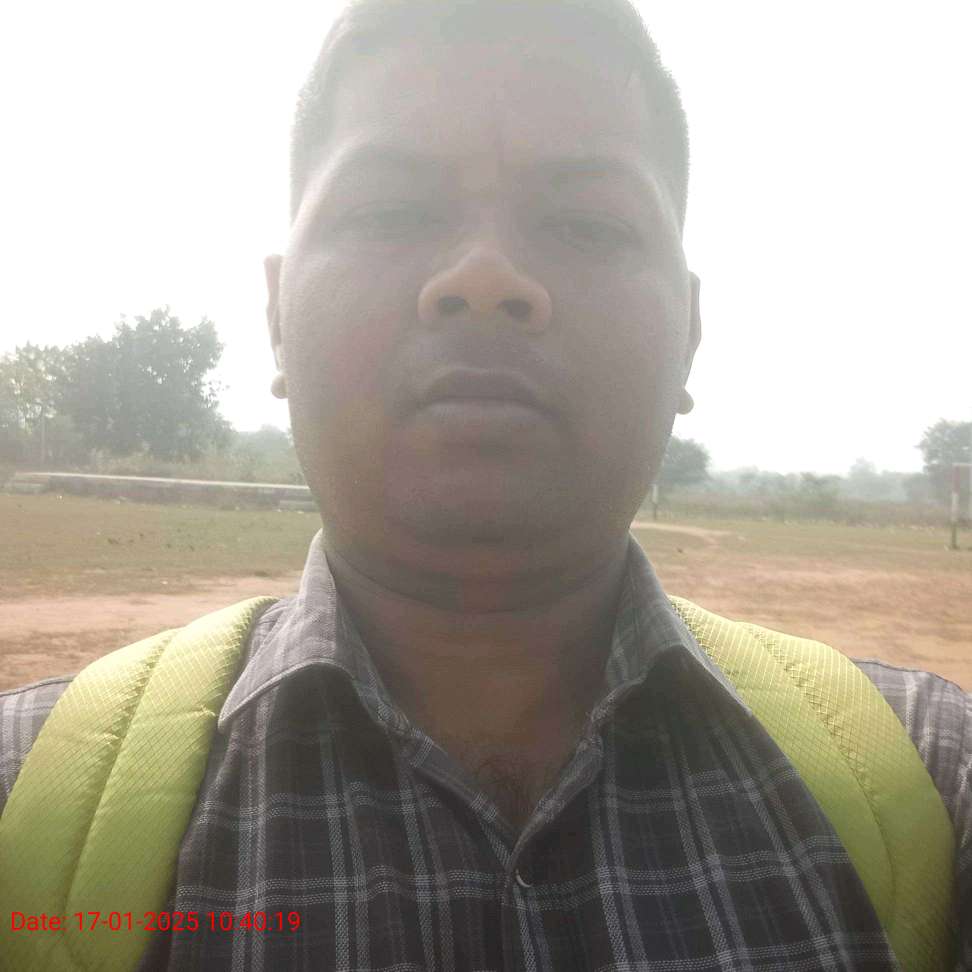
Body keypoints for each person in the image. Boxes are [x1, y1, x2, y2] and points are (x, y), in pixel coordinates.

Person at [0, 1, 968, 969]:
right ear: (277, 318)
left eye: (587, 224)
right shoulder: (26, 802)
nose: (487, 276)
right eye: (389, 213)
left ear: (690, 333)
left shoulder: (929, 778)